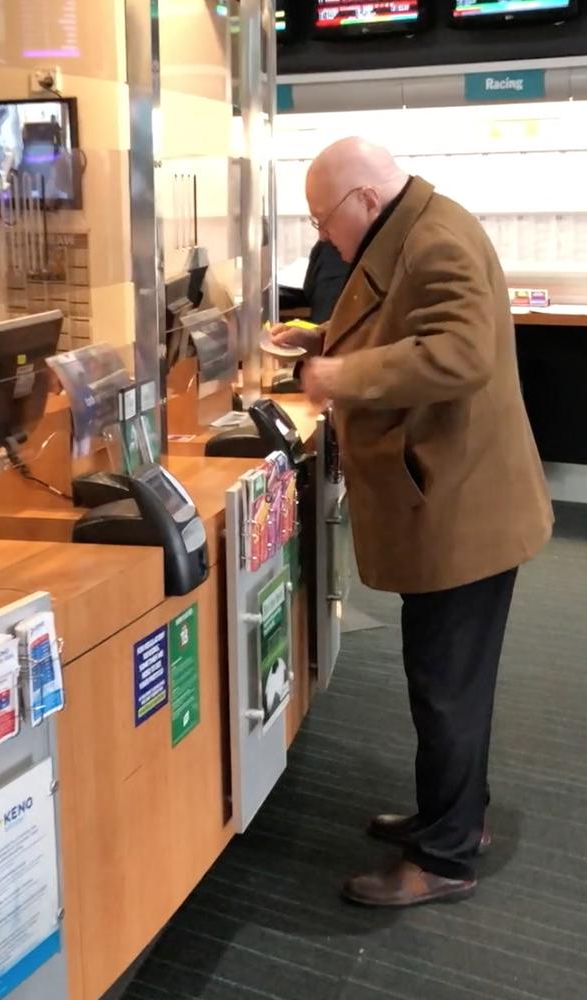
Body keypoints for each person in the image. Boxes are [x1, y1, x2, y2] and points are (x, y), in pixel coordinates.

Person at [271, 138, 553, 908]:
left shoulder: (434, 238)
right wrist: (324, 340)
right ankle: (454, 816)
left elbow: (460, 354)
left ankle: (446, 858)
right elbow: (402, 327)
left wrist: (338, 375)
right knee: (449, 680)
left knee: (446, 686)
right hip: (455, 502)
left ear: (363, 200)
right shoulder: (413, 226)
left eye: (324, 220)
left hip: (465, 512)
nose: (323, 237)